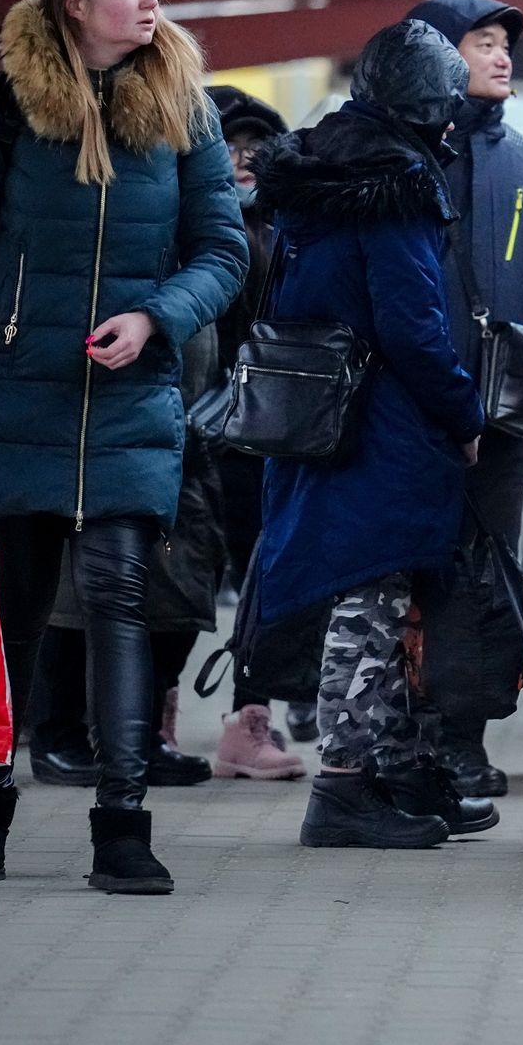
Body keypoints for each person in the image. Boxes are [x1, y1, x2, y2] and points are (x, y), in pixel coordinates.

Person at [0, 0, 249, 894]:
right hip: (15, 397)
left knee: (119, 598)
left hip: (132, 400)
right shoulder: (5, 108)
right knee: (9, 616)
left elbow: (222, 252)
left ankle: (123, 823)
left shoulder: (184, 108)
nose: (150, 3)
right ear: (74, 0)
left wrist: (155, 315)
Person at [252, 20, 496, 850]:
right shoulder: (394, 185)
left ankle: (386, 775)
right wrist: (465, 415)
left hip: (323, 416)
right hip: (386, 426)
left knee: (369, 597)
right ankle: (346, 789)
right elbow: (414, 328)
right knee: (373, 602)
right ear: (431, 106)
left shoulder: (320, 172)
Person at [406, 0, 523, 799]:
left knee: (483, 571)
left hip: (502, 412)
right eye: (482, 41)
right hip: (417, 406)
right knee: (412, 569)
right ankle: (406, 733)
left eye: (505, 44)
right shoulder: (405, 154)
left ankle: (461, 737)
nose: (501, 56)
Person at [27, 322, 234, 791]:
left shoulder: (206, 259)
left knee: (174, 598)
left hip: (187, 441)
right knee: (73, 598)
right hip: (93, 441)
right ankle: (58, 735)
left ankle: (139, 736)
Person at [203, 86, 311, 779]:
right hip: (193, 420)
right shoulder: (191, 222)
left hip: (259, 431)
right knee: (173, 573)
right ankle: (147, 713)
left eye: (255, 150)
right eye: (230, 148)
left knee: (261, 573)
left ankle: (251, 713)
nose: (243, 162)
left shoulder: (285, 227)